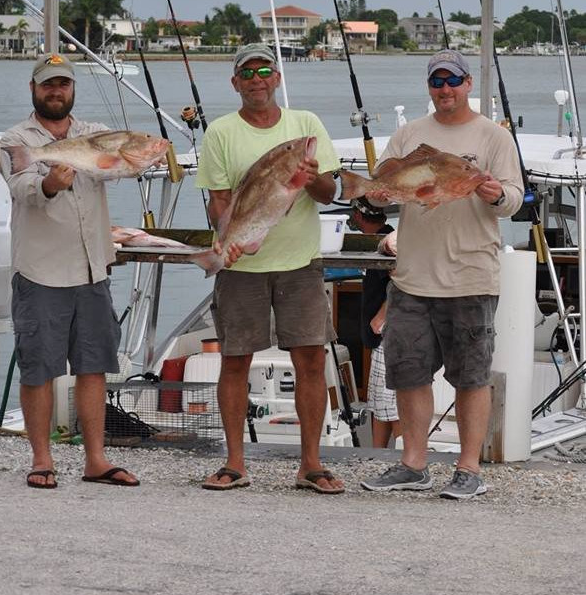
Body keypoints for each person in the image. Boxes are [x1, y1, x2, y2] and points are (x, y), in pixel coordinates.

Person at [360, 49, 523, 499]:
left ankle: (469, 468)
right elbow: (382, 190)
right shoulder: (409, 134)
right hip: (412, 277)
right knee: (408, 373)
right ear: (428, 87)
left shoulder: (494, 137)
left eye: (453, 80)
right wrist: (373, 195)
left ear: (469, 83)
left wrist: (493, 193)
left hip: (471, 276)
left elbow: (512, 198)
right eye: (437, 81)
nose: (445, 88)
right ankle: (413, 464)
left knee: (471, 375)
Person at [196, 43, 344, 494]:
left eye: (264, 70)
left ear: (277, 78)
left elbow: (327, 192)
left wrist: (312, 174)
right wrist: (226, 242)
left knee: (311, 362)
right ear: (235, 82)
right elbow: (219, 201)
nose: (256, 79)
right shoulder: (220, 133)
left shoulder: (306, 125)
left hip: (300, 263)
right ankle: (235, 463)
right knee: (235, 361)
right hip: (241, 271)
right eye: (247, 72)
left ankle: (311, 465)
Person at [0, 53, 139, 489]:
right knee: (38, 367)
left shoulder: (94, 134)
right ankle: (42, 459)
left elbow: (119, 166)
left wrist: (140, 156)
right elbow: (22, 189)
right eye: (47, 85)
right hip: (41, 272)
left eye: (63, 84)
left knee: (93, 365)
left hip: (93, 267)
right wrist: (49, 183)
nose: (55, 91)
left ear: (73, 89)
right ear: (33, 89)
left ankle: (95, 459)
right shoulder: (16, 139)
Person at [348, 197, 401, 448]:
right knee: (379, 401)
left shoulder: (387, 242)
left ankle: (400, 450)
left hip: (388, 331)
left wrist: (382, 316)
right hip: (381, 333)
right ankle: (377, 453)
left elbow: (400, 278)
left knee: (391, 401)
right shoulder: (384, 237)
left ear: (358, 216)